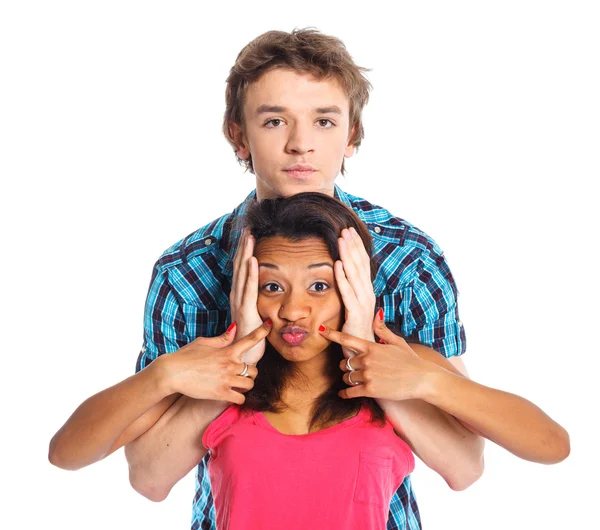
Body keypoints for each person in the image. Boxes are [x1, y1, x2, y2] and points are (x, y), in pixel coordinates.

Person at [125, 27, 480, 530]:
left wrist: (365, 351)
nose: (300, 145)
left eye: (324, 121)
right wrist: (234, 361)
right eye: (274, 121)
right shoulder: (185, 273)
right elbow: (149, 476)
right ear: (237, 133)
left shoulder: (410, 261)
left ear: (352, 134)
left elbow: (464, 464)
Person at [49, 193, 569, 530]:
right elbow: (69, 456)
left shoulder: (401, 372)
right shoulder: (217, 377)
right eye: (272, 286)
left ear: (353, 289)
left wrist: (425, 383)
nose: (294, 309)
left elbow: (547, 448)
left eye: (320, 285)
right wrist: (163, 374)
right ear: (245, 289)